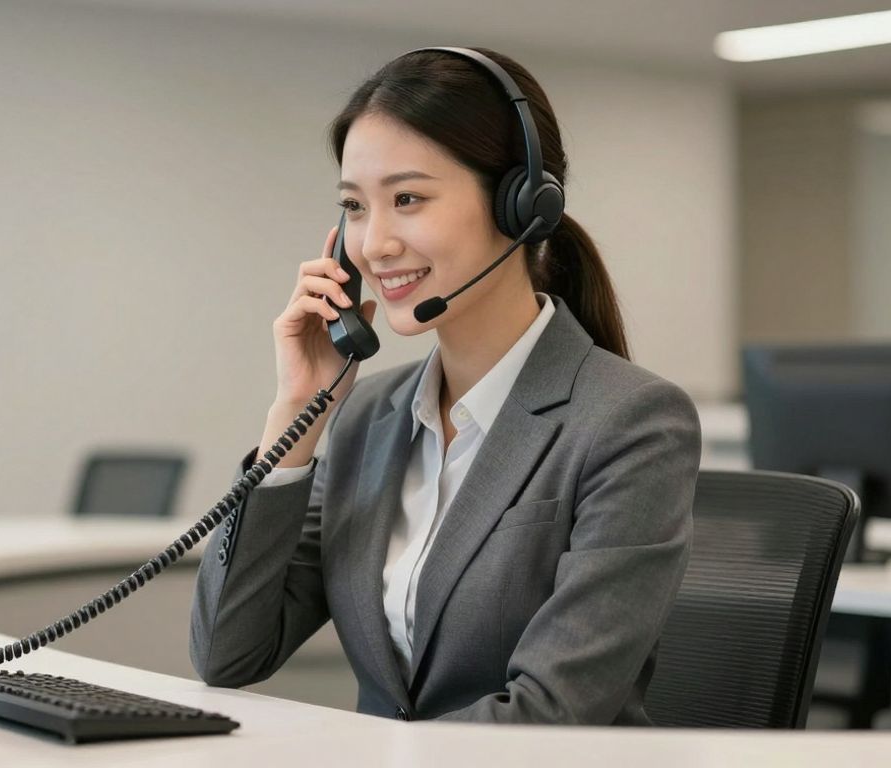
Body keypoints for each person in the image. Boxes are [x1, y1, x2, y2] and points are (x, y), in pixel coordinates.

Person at [189, 47, 700, 725]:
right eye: (355, 208)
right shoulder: (367, 416)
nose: (373, 244)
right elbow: (228, 653)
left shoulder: (631, 423)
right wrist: (294, 420)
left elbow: (552, 712)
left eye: (407, 199)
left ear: (521, 204)